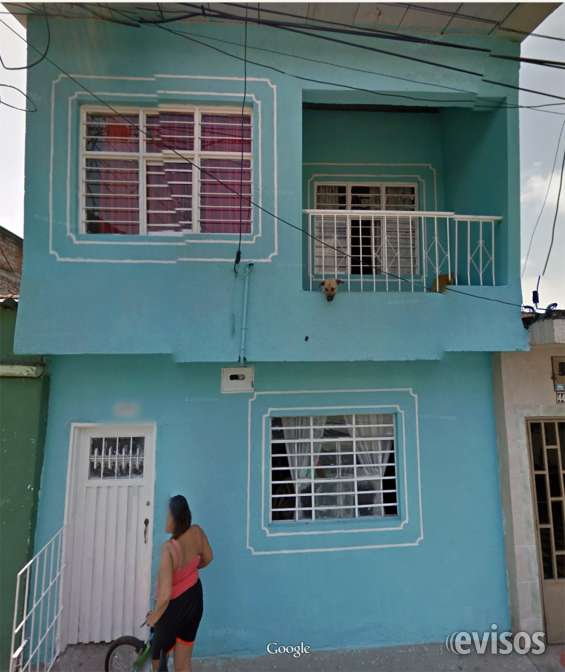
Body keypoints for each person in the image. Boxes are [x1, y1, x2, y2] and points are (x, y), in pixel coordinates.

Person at [146, 495, 213, 672]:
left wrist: (153, 617)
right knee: (183, 663)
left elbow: (165, 596)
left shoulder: (169, 549)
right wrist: (190, 570)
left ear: (176, 519)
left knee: (156, 658)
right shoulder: (197, 532)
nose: (165, 519)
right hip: (195, 599)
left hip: (174, 607)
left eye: (168, 516)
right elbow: (208, 558)